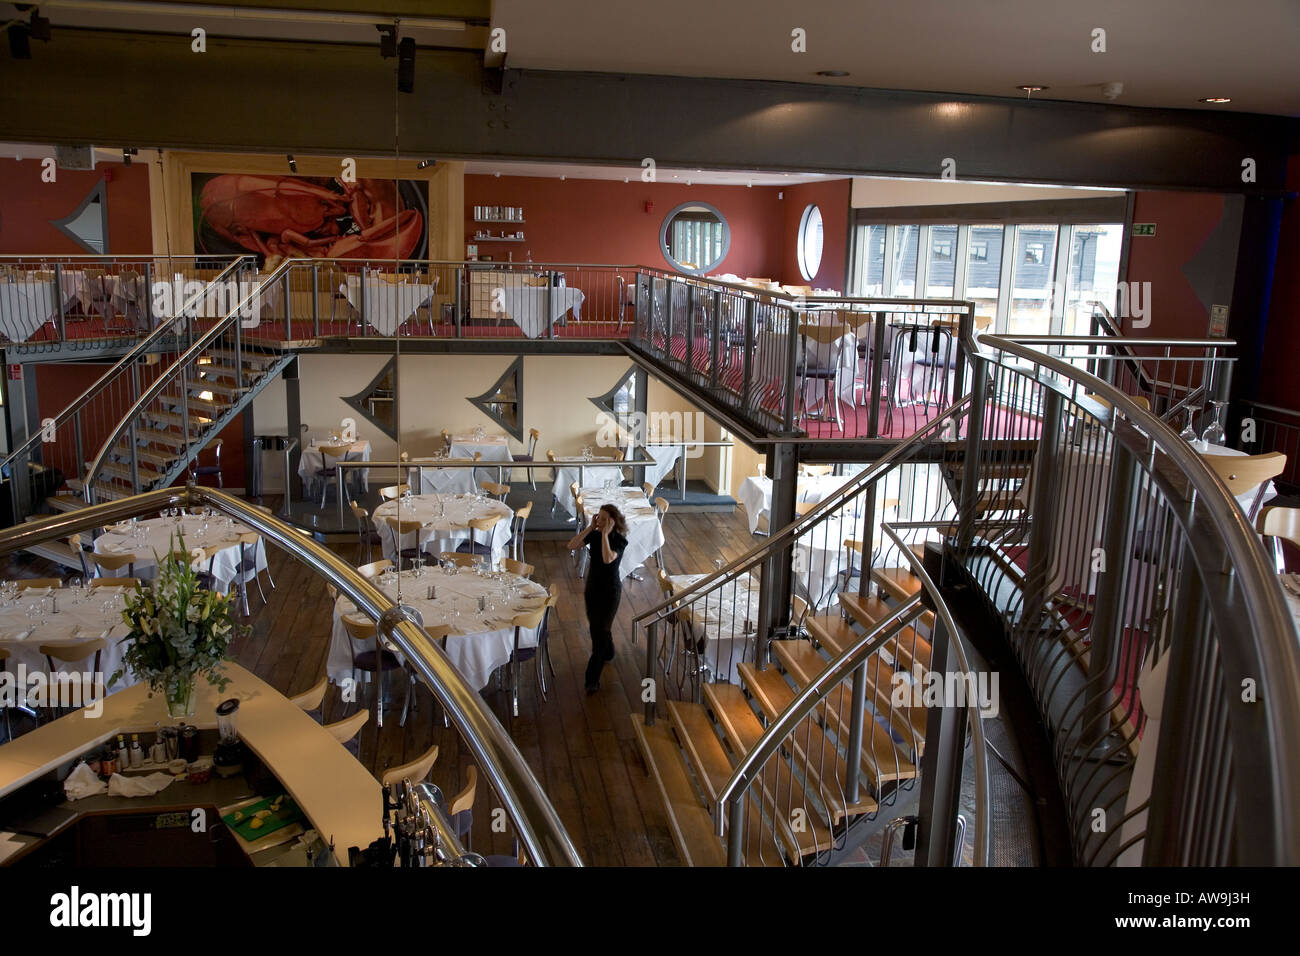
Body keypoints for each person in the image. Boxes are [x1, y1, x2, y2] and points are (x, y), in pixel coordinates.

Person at [566, 503, 628, 693]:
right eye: (597, 518)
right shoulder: (594, 533)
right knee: (597, 627)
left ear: (612, 521)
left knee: (599, 634)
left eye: (602, 519)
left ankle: (591, 680)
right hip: (592, 589)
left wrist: (604, 536)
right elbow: (572, 545)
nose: (598, 521)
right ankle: (609, 652)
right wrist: (590, 528)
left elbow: (608, 558)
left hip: (610, 592)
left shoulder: (619, 540)